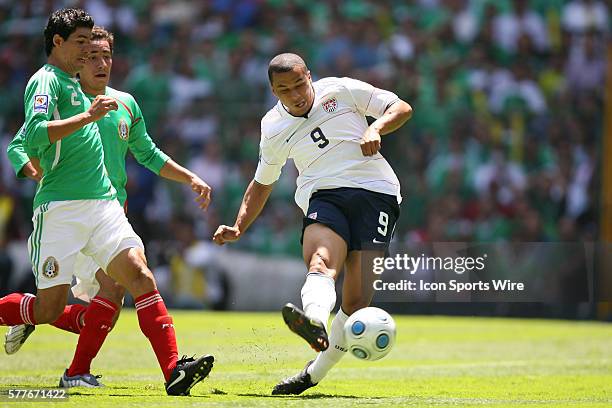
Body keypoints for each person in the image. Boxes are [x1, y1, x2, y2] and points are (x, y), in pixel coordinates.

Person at [0, 9, 213, 396]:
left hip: (107, 208)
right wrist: (29, 167)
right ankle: (42, 328)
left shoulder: (121, 103)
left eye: (103, 55)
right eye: (86, 49)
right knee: (59, 308)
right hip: (62, 210)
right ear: (63, 46)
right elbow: (26, 138)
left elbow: (147, 153)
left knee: (138, 278)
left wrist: (190, 177)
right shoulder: (54, 85)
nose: (95, 60)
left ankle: (173, 371)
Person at [213, 53, 412, 394]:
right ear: (273, 91)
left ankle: (312, 374)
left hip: (376, 193)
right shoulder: (272, 128)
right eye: (284, 90)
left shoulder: (342, 90)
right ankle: (315, 322)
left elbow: (401, 107)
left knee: (356, 302)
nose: (295, 94)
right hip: (324, 195)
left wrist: (375, 127)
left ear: (310, 76)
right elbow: (262, 183)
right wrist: (239, 225)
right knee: (320, 260)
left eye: (299, 84)